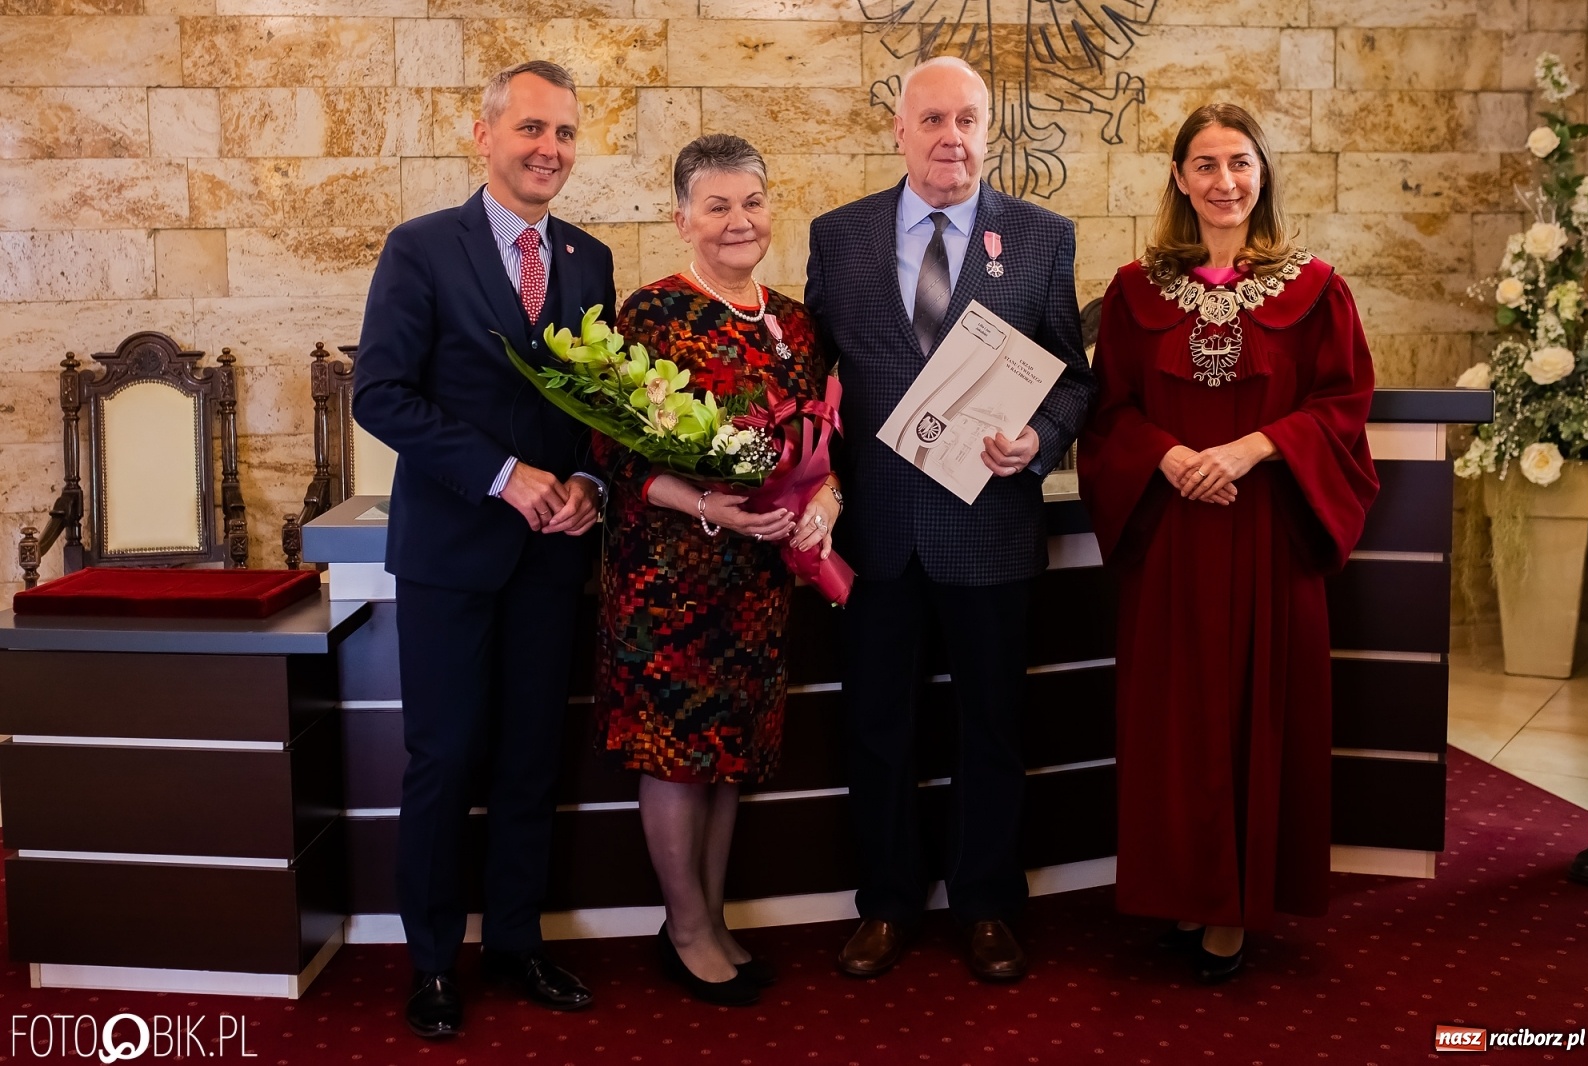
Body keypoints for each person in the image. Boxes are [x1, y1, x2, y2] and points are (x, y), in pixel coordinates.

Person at [805, 56, 1095, 983]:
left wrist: (1038, 440)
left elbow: (1073, 379)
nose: (952, 139)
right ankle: (888, 904)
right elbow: (816, 385)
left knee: (992, 730)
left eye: (968, 120)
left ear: (987, 131)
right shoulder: (838, 237)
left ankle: (986, 906)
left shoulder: (1041, 238)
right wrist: (811, 479)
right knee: (877, 728)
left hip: (992, 530)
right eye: (933, 120)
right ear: (898, 129)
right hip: (876, 536)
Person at [1076, 103, 1379, 983]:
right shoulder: (1134, 292)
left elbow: (1342, 406)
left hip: (1268, 533)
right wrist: (1169, 458)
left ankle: (1235, 908)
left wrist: (1251, 449)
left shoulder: (1318, 288)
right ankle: (1180, 888)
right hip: (1170, 536)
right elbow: (1109, 411)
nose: (1224, 181)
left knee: (1260, 707)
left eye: (1239, 163)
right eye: (1204, 165)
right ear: (1179, 179)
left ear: (1262, 173)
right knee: (1172, 719)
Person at [352, 60, 616, 1038]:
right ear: (485, 133)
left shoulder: (589, 259)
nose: (548, 149)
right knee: (444, 756)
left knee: (527, 761)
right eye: (531, 130)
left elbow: (600, 405)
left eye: (564, 134)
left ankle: (515, 940)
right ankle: (431, 963)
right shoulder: (420, 249)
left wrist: (591, 482)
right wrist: (505, 474)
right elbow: (379, 394)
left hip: (551, 560)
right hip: (451, 553)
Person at [594, 134, 839, 1006]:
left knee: (729, 754)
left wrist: (828, 498)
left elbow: (821, 435)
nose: (740, 222)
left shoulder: (798, 319)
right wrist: (709, 505)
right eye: (718, 206)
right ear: (683, 219)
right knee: (675, 755)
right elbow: (618, 456)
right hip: (672, 580)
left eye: (753, 203)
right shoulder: (653, 315)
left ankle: (709, 915)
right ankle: (686, 927)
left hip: (760, 582)